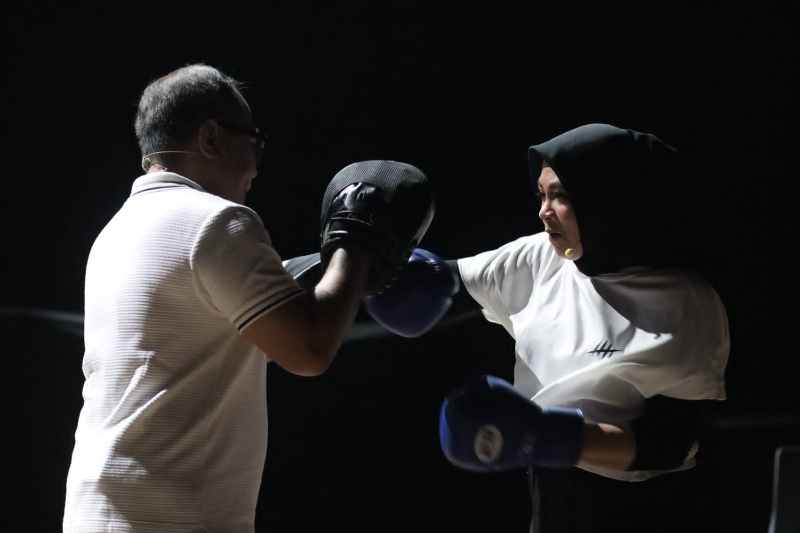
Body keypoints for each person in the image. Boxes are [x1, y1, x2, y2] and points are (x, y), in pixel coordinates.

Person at [62, 64, 434, 533]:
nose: (257, 166)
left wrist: (311, 272)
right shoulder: (219, 222)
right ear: (212, 138)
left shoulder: (115, 232)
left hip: (99, 508)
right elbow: (309, 350)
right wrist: (353, 244)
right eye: (253, 142)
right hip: (169, 518)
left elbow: (202, 330)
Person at [368, 123, 730, 532]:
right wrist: (356, 262)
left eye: (559, 195)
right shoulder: (541, 258)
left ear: (607, 200)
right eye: (541, 195)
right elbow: (439, 284)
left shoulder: (687, 304)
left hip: (649, 509)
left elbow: (673, 442)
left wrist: (547, 435)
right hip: (553, 495)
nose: (543, 211)